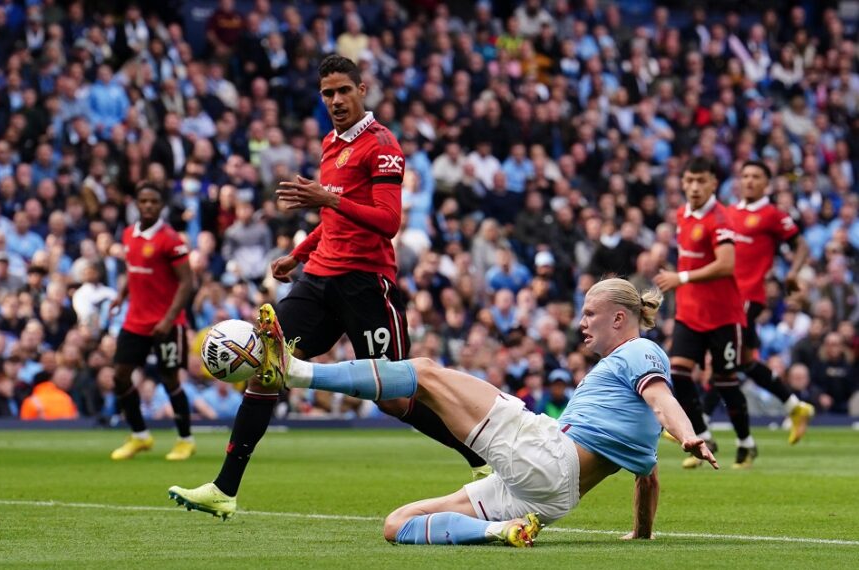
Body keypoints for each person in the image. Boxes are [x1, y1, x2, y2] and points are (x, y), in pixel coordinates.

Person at [170, 278, 718, 547]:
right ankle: (502, 532)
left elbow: (662, 400)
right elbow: (647, 476)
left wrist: (690, 434)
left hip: (548, 455)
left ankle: (292, 371)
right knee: (396, 526)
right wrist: (640, 536)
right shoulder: (630, 388)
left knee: (426, 371)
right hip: (550, 499)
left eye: (591, 315)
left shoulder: (639, 352)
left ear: (621, 319)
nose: (582, 324)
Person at [183, 55, 488, 506]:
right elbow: (333, 217)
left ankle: (480, 456)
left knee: (395, 397)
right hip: (319, 279)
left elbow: (387, 221)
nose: (336, 100)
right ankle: (223, 489)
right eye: (328, 93)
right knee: (266, 369)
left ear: (363, 90)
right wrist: (297, 255)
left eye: (344, 90)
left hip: (366, 284)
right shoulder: (330, 143)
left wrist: (326, 197)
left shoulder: (383, 145)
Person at [653, 157, 755, 469]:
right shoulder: (682, 214)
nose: (694, 187)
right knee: (679, 375)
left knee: (725, 380)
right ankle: (703, 434)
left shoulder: (721, 218)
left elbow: (726, 264)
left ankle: (746, 443)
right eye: (689, 181)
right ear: (682, 183)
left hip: (723, 315)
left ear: (713, 183)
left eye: (701, 181)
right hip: (689, 313)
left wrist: (680, 278)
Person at [722, 160, 815, 443]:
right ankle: (795, 406)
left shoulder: (773, 214)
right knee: (744, 362)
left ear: (767, 183)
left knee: (724, 359)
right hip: (725, 297)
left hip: (750, 296)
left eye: (756, 176)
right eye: (745, 175)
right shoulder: (728, 213)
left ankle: (696, 424)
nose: (749, 181)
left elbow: (802, 245)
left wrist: (794, 273)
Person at [108, 182, 195, 460]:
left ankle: (185, 439)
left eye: (153, 202)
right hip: (135, 321)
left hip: (166, 323)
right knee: (120, 376)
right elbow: (133, 271)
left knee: (170, 379)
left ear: (161, 206)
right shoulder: (127, 234)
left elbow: (187, 282)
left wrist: (169, 319)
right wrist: (121, 295)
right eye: (143, 201)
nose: (147, 206)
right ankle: (140, 436)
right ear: (136, 203)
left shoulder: (171, 239)